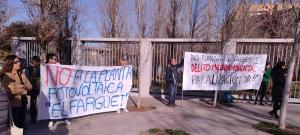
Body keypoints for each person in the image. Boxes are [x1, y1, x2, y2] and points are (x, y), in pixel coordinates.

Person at [0, 55, 32, 129]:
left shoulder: (21, 73)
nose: (19, 63)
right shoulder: (6, 75)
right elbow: (10, 90)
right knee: (15, 126)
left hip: (24, 102)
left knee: (21, 124)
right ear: (10, 63)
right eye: (16, 62)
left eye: (19, 61)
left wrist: (20, 86)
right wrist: (23, 87)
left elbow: (30, 86)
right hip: (14, 104)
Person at [46, 53, 71, 128]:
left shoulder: (58, 66)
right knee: (51, 105)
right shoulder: (45, 66)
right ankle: (51, 120)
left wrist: (59, 66)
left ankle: (64, 118)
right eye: (55, 59)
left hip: (59, 89)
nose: (56, 60)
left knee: (61, 104)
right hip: (49, 90)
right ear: (50, 60)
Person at [26, 56, 41, 123]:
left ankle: (42, 116)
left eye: (38, 61)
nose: (37, 62)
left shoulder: (41, 68)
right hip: (34, 89)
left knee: (42, 103)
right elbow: (27, 78)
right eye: (35, 61)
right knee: (33, 103)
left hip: (41, 88)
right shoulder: (29, 69)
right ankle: (33, 118)